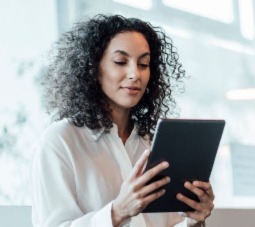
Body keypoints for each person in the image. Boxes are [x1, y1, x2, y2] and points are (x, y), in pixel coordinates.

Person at [30, 14, 214, 227]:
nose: (135, 74)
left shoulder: (153, 143)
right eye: (120, 61)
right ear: (93, 68)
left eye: (143, 64)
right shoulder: (59, 142)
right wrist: (117, 212)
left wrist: (194, 219)